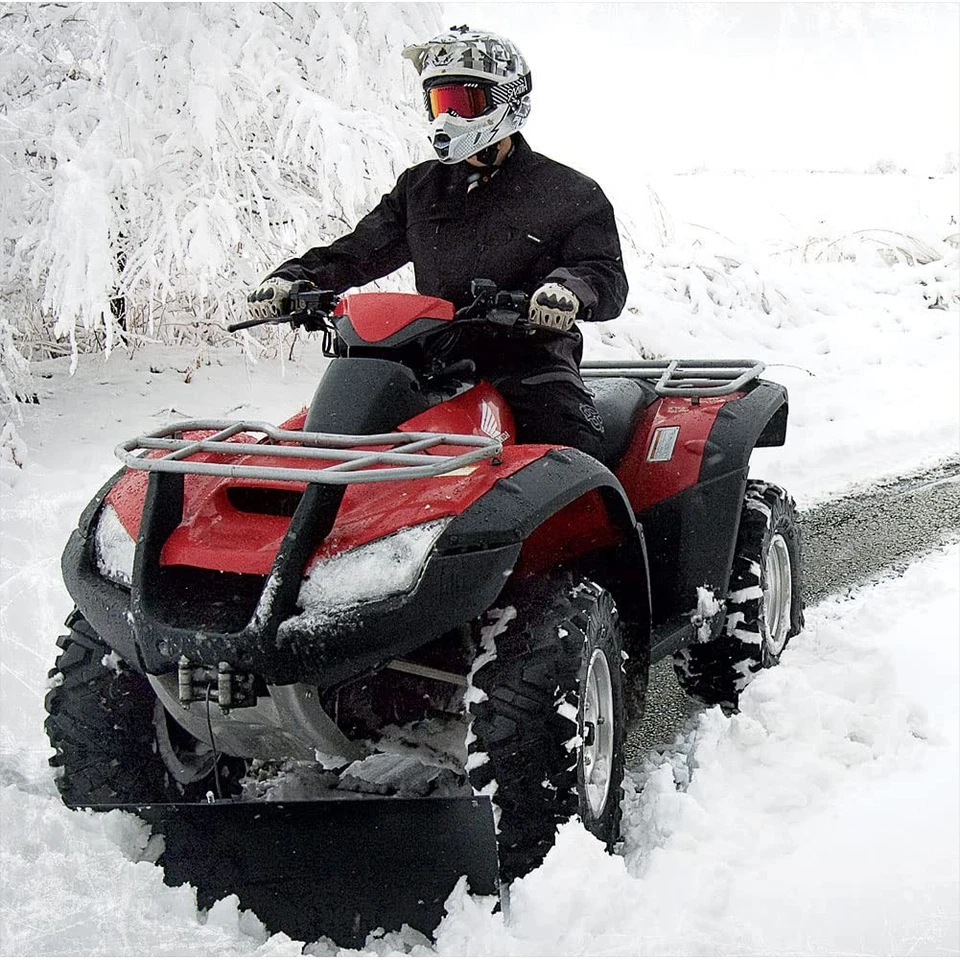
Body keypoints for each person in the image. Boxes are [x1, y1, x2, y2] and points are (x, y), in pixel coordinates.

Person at [248, 26, 628, 460]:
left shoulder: (567, 192)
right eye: (439, 103)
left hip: (529, 361)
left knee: (572, 455)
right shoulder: (420, 188)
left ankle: (608, 525)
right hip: (429, 361)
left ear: (508, 101)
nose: (447, 120)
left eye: (463, 103)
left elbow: (603, 271)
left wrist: (566, 292)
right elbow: (359, 250)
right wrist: (295, 279)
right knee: (328, 437)